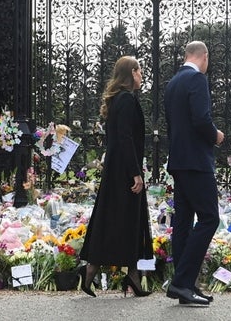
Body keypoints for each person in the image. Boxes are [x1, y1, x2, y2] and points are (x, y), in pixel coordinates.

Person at [78, 56, 153, 298]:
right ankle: (93, 271)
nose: (142, 76)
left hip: (117, 169)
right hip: (124, 171)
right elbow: (125, 138)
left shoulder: (119, 100)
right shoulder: (127, 100)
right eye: (140, 72)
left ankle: (127, 275)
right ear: (132, 73)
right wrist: (135, 172)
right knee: (122, 220)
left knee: (120, 219)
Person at [164, 41, 224, 306]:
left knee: (184, 223)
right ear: (204, 56)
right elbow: (201, 119)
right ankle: (181, 282)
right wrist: (216, 136)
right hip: (197, 162)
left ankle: (184, 285)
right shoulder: (197, 79)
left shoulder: (173, 82)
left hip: (178, 160)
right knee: (210, 218)